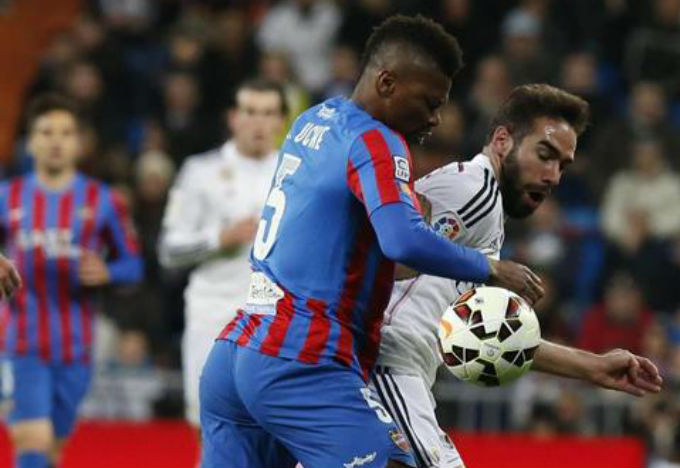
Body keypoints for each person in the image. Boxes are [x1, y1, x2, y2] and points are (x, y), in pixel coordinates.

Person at [199, 15, 543, 468]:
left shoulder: (312, 119)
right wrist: (491, 268)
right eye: (429, 102)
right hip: (303, 355)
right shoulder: (377, 140)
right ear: (387, 83)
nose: (435, 119)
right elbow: (402, 240)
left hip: (239, 347)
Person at [372, 84, 664, 468]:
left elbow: (491, 336)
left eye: (562, 165)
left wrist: (593, 366)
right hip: (387, 366)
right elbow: (384, 257)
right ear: (502, 140)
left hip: (401, 375)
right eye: (544, 155)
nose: (553, 176)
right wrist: (487, 268)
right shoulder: (472, 190)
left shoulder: (486, 213)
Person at [1, 94, 143, 468]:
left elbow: (134, 265)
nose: (56, 141)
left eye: (65, 133)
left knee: (52, 448)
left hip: (76, 347)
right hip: (19, 340)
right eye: (46, 132)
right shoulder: (7, 197)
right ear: (30, 141)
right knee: (33, 439)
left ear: (79, 143)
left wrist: (108, 272)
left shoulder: (103, 200)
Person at [158, 78, 286, 428]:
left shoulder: (296, 174)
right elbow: (168, 249)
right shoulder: (200, 172)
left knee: (270, 427)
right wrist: (219, 238)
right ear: (233, 117)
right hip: (212, 309)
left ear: (280, 121)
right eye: (250, 112)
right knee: (206, 420)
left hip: (275, 314)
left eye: (268, 113)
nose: (258, 122)